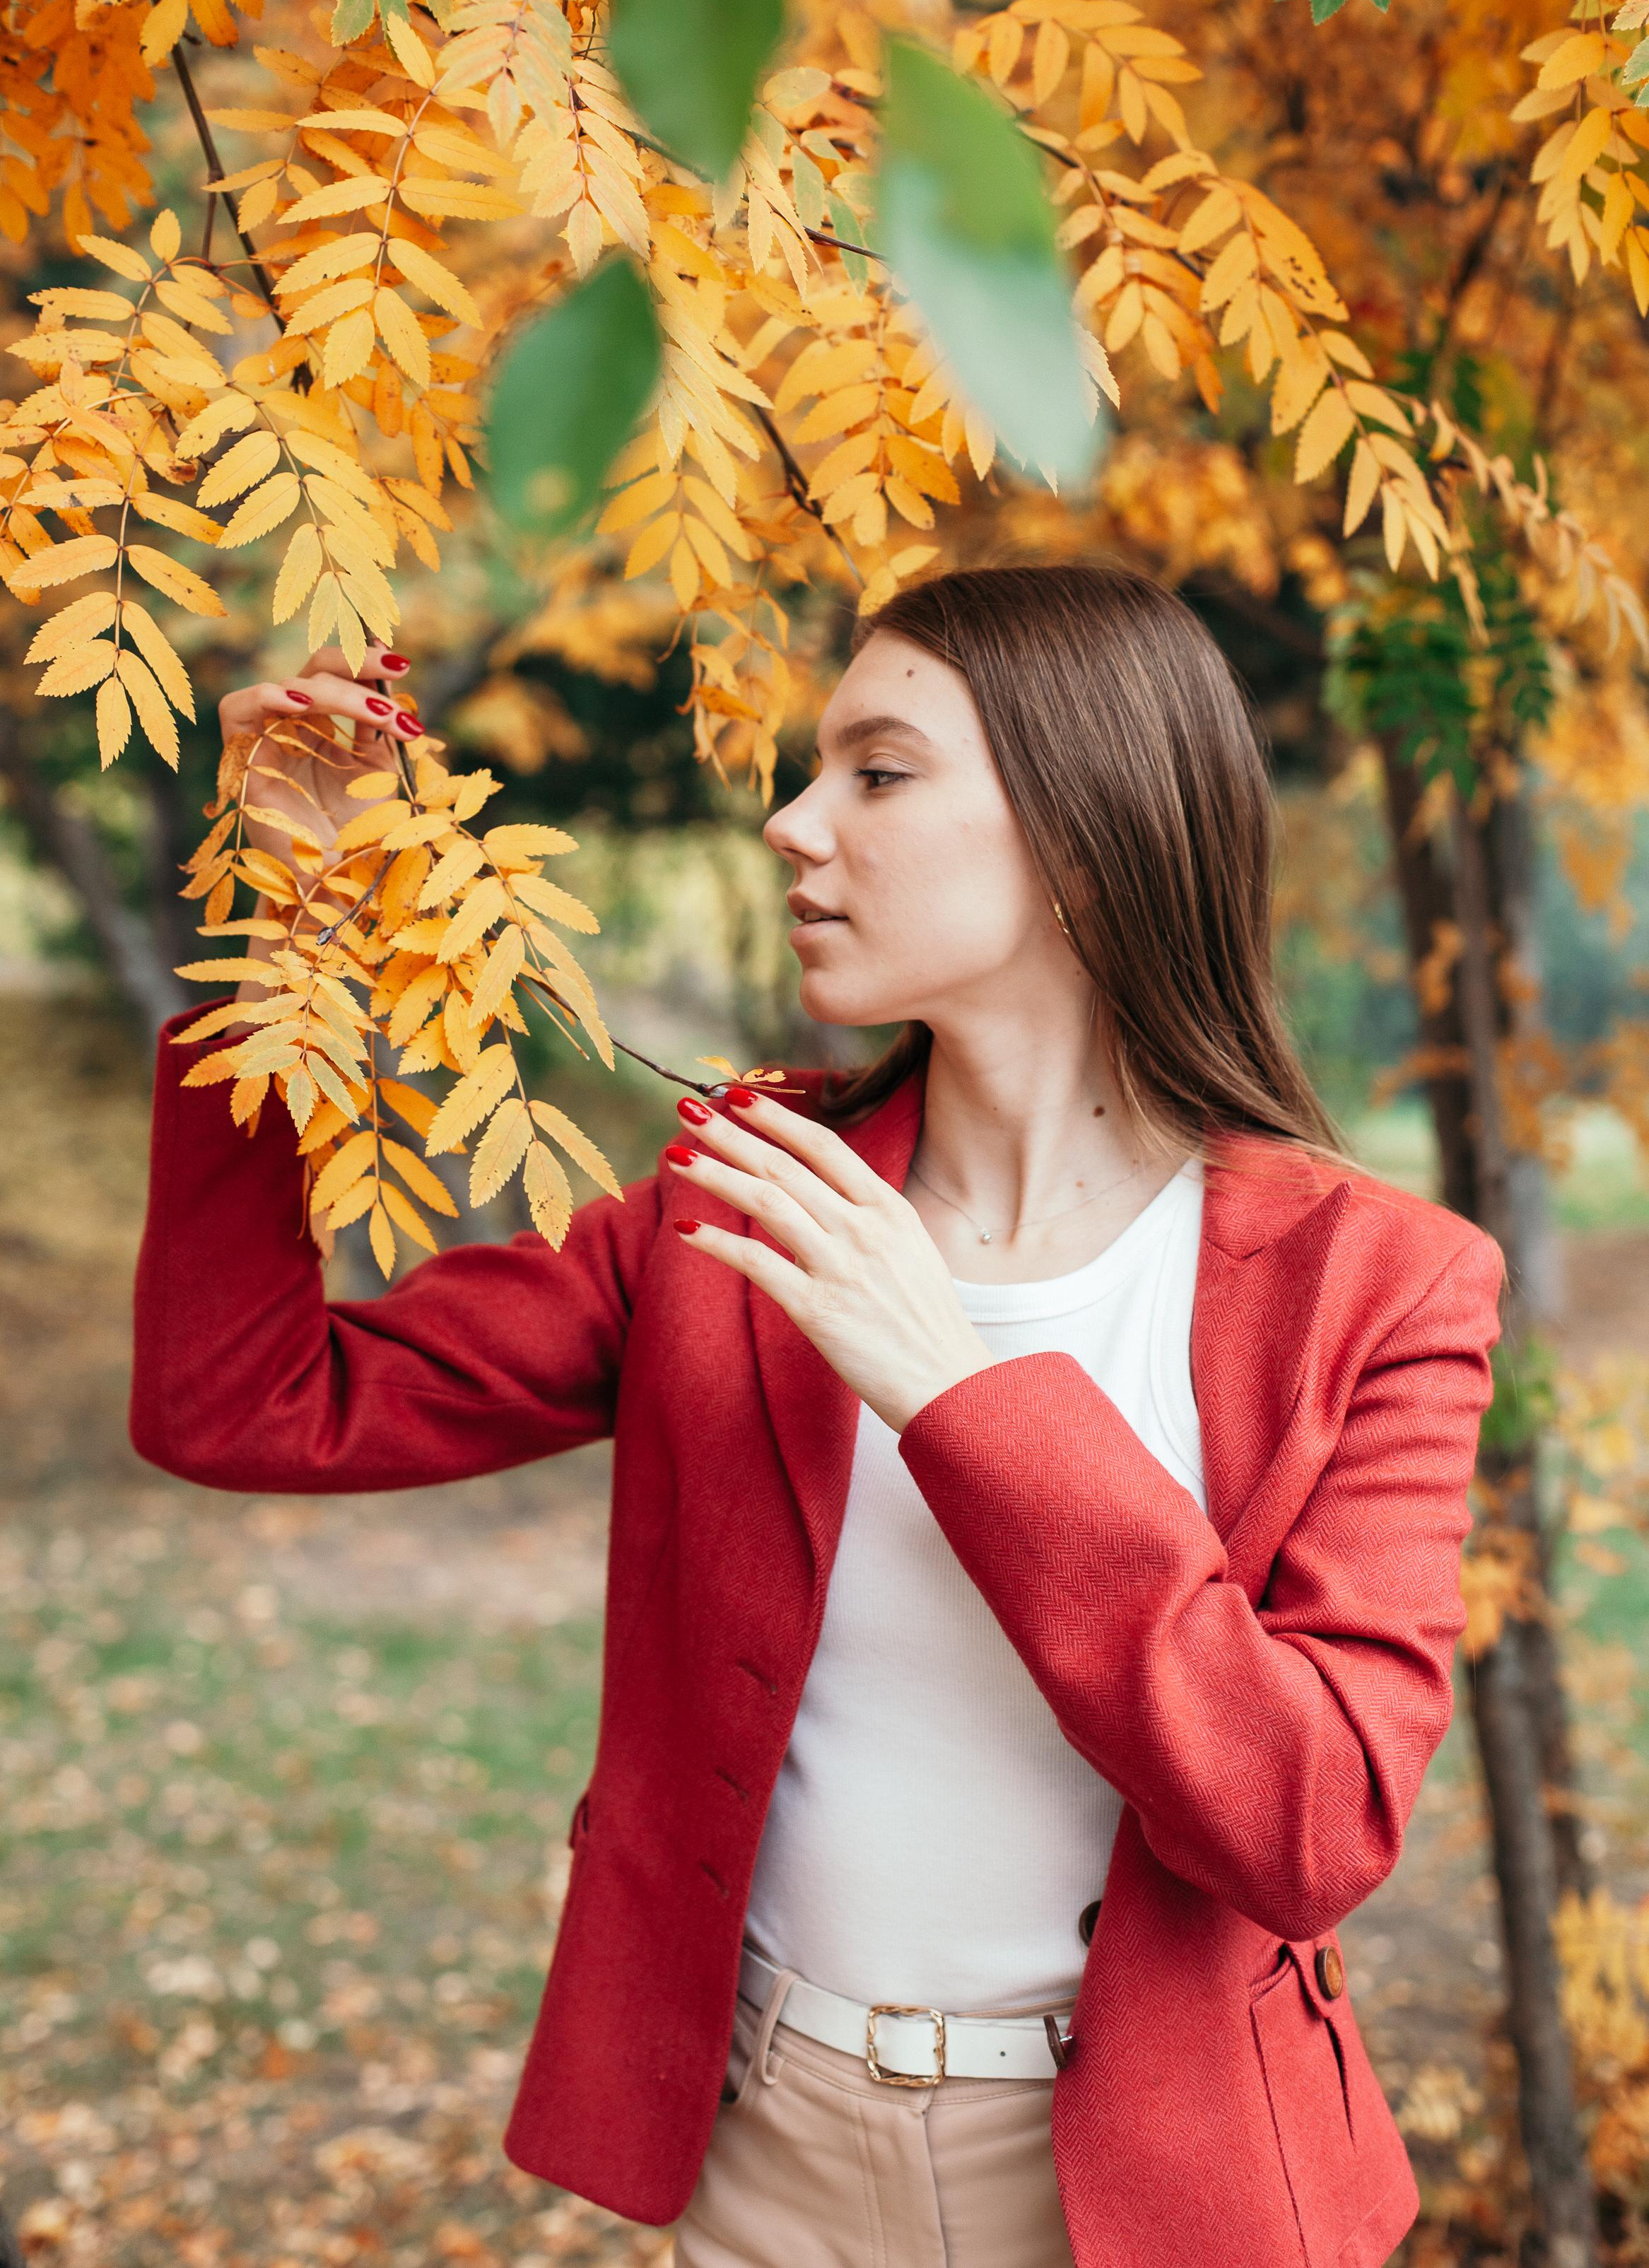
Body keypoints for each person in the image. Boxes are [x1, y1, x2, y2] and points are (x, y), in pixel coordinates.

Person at [131, 563, 1502, 2268]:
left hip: (1155, 2193)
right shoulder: (741, 1198)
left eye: (878, 770)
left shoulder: (1378, 1283)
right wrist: (284, 939)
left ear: (1082, 833)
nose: (791, 824)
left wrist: (961, 1396)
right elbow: (244, 1402)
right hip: (767, 2167)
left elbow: (1312, 1822)